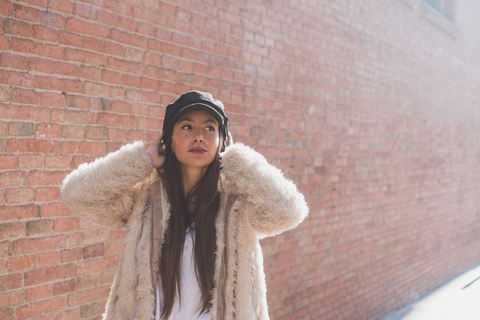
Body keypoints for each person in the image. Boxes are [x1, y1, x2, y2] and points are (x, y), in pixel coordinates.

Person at [61, 91, 309, 320]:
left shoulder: (238, 205)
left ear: (222, 141)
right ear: (167, 141)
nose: (199, 136)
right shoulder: (145, 200)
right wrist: (143, 160)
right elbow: (77, 194)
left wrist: (238, 161)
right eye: (187, 126)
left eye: (210, 128)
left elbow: (290, 210)